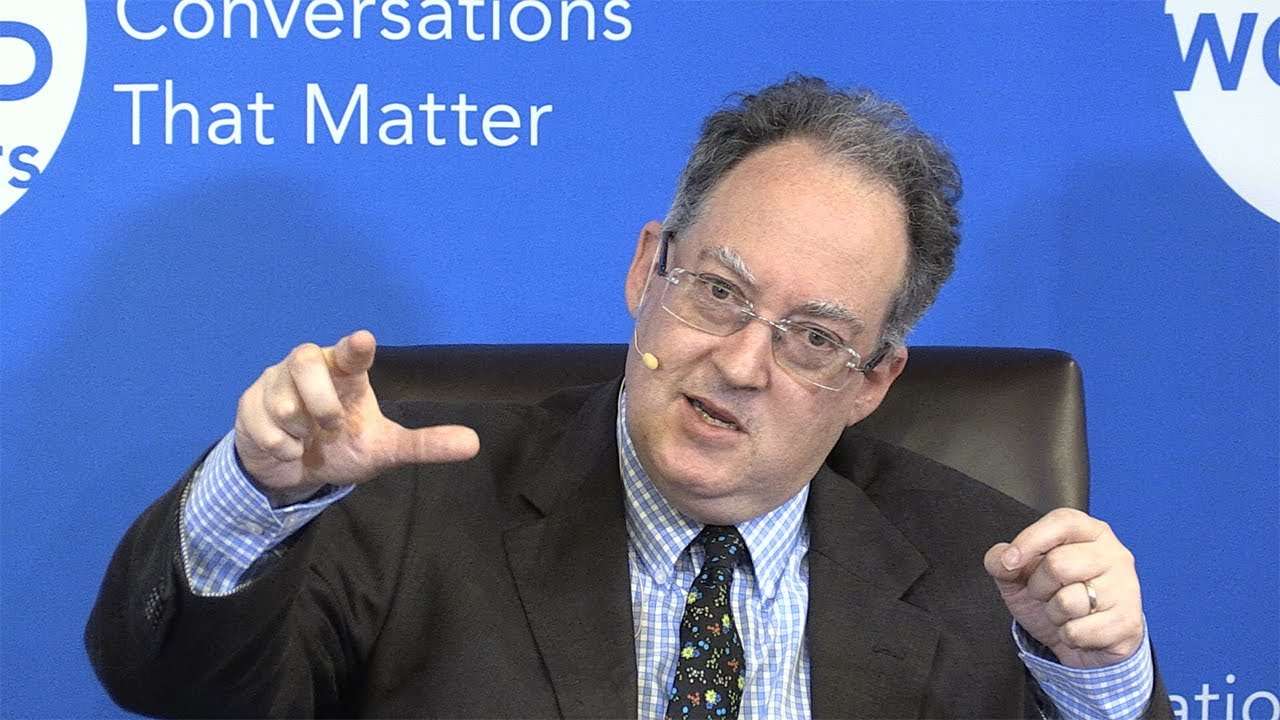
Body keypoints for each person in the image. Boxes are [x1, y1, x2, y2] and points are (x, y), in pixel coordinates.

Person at [86, 76, 1172, 719]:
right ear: (647, 268)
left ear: (873, 381)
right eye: (718, 292)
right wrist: (258, 496)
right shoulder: (410, 504)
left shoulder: (987, 572)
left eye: (813, 338)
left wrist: (1098, 682)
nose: (740, 364)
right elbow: (166, 683)